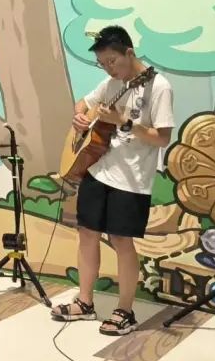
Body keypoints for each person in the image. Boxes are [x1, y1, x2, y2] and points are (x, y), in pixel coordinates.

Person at [51, 26, 175, 336]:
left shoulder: (159, 88)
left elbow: (162, 138)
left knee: (122, 241)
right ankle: (84, 302)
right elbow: (83, 103)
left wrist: (123, 121)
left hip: (132, 180)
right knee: (87, 234)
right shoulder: (111, 84)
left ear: (129, 53)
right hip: (98, 170)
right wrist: (80, 117)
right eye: (102, 64)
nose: (108, 69)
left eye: (112, 61)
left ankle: (125, 311)